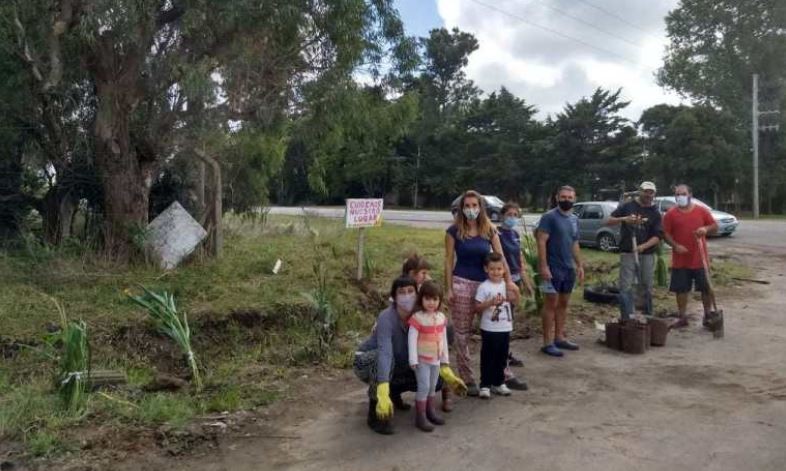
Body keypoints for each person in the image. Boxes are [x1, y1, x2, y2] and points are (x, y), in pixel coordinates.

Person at [354, 276, 466, 435]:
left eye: (410, 291)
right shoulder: (387, 318)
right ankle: (376, 413)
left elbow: (440, 333)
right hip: (368, 360)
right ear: (394, 296)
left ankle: (396, 394)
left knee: (436, 379)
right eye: (401, 292)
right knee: (382, 361)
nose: (406, 296)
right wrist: (383, 387)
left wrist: (445, 367)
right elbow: (385, 352)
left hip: (400, 360)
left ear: (417, 293)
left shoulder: (421, 314)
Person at [445, 190, 522, 395]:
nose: (471, 209)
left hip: (487, 284)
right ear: (461, 208)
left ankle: (500, 375)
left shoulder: (488, 230)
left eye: (474, 205)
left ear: (481, 207)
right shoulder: (454, 231)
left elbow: (501, 256)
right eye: (467, 205)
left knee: (497, 330)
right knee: (462, 333)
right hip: (462, 284)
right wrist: (448, 288)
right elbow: (448, 261)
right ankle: (467, 378)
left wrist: (507, 282)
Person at [536, 185, 585, 357]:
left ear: (575, 199)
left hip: (568, 268)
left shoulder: (574, 219)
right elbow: (541, 241)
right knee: (551, 303)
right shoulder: (549, 217)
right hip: (552, 268)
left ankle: (559, 337)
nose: (566, 200)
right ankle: (547, 342)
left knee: (563, 304)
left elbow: (574, 243)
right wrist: (543, 266)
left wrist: (579, 265)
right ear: (557, 198)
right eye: (563, 197)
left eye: (570, 197)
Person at [662, 184, 718, 329]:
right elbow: (665, 233)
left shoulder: (701, 211)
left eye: (683, 193)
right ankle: (682, 317)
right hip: (680, 260)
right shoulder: (671, 214)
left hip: (700, 258)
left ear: (690, 195)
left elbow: (714, 226)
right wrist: (675, 246)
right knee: (681, 290)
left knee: (705, 288)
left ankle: (707, 315)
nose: (680, 196)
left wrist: (705, 229)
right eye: (678, 194)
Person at [607, 181, 662, 319]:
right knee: (626, 286)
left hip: (647, 254)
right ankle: (627, 317)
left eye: (651, 192)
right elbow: (607, 220)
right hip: (628, 252)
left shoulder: (655, 212)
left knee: (646, 286)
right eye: (646, 191)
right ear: (640, 191)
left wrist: (643, 246)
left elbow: (657, 237)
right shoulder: (627, 206)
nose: (649, 195)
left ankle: (646, 317)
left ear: (654, 194)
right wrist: (624, 219)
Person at [408, 281, 450, 432]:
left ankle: (430, 411)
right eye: (427, 299)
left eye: (435, 299)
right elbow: (412, 339)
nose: (431, 303)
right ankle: (420, 416)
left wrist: (445, 358)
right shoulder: (417, 318)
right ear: (421, 300)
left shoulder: (441, 317)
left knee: (432, 385)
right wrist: (413, 359)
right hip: (422, 360)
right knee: (424, 386)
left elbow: (443, 339)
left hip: (436, 359)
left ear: (439, 300)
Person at [498, 201, 534, 367]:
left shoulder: (515, 234)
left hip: (516, 279)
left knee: (510, 318)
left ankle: (506, 352)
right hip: (503, 281)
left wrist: (526, 281)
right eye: (509, 215)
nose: (512, 218)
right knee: (500, 318)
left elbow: (519, 260)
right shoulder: (496, 234)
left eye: (515, 215)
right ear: (502, 216)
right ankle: (499, 354)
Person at [474, 253, 515, 399]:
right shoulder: (484, 287)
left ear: (504, 269)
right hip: (489, 328)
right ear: (486, 269)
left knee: (502, 357)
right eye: (492, 269)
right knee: (488, 356)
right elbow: (477, 308)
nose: (496, 272)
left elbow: (516, 300)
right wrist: (490, 303)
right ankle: (485, 384)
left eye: (499, 269)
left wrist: (515, 292)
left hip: (505, 327)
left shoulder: (507, 286)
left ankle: (499, 382)